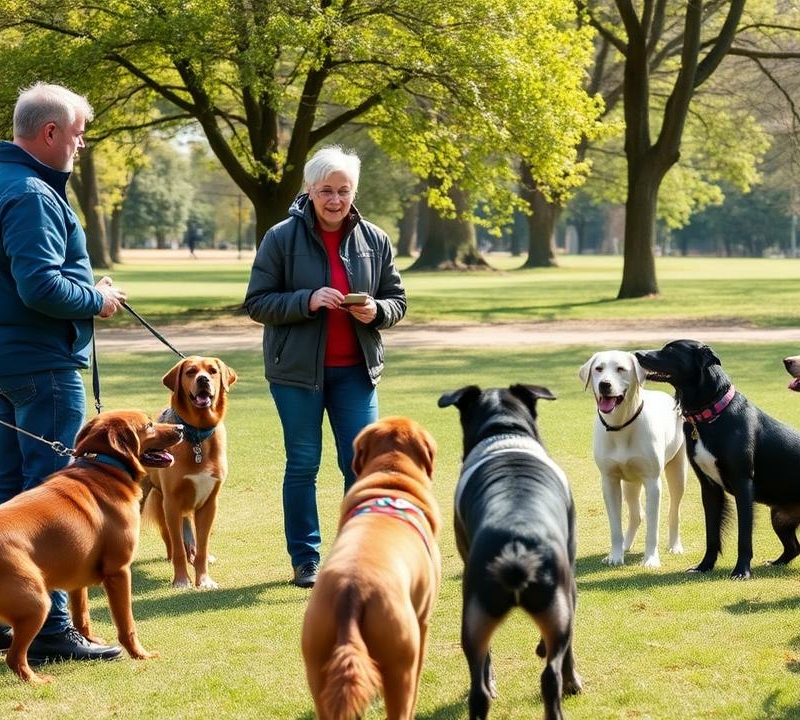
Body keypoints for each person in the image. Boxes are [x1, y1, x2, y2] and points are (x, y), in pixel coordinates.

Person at [0, 82, 127, 663]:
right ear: (49, 133)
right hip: (40, 363)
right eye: (77, 134)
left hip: (6, 364)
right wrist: (95, 299)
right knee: (52, 498)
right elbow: (41, 285)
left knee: (9, 498)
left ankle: (8, 620)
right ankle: (51, 632)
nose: (81, 145)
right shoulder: (31, 193)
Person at [244, 145, 407, 588]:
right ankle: (306, 560)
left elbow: (398, 301)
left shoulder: (375, 238)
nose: (335, 200)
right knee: (302, 464)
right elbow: (257, 302)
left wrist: (378, 310)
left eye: (344, 191)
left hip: (356, 372)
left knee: (360, 465)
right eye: (326, 191)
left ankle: (359, 555)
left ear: (354, 192)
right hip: (296, 375)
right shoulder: (280, 237)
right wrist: (307, 300)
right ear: (309, 190)